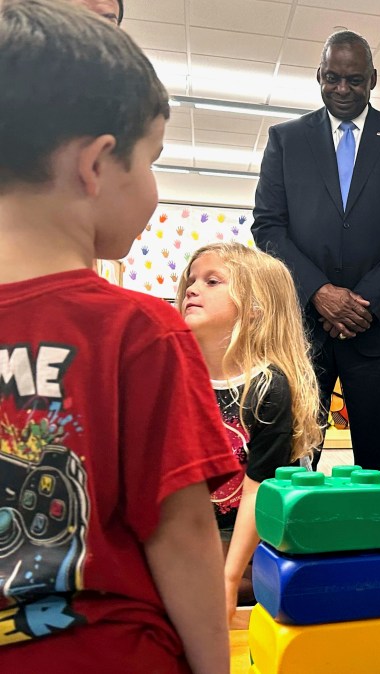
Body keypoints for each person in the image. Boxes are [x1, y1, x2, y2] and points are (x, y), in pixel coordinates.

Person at [0, 1, 240, 672]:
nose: (155, 187)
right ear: (98, 165)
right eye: (153, 158)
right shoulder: (140, 331)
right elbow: (184, 535)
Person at [253, 30, 380, 471]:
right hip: (304, 332)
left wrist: (364, 304)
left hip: (377, 330)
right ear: (319, 75)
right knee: (292, 462)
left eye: (354, 80)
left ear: (373, 79)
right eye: (332, 78)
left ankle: (375, 541)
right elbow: (268, 226)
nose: (342, 90)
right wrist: (319, 292)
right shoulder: (286, 140)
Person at [177, 242, 321, 620]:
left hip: (249, 535)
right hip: (187, 532)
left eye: (212, 281)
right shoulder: (171, 373)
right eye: (192, 280)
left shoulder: (267, 388)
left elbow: (259, 489)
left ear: (255, 309)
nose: (192, 289)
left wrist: (226, 579)